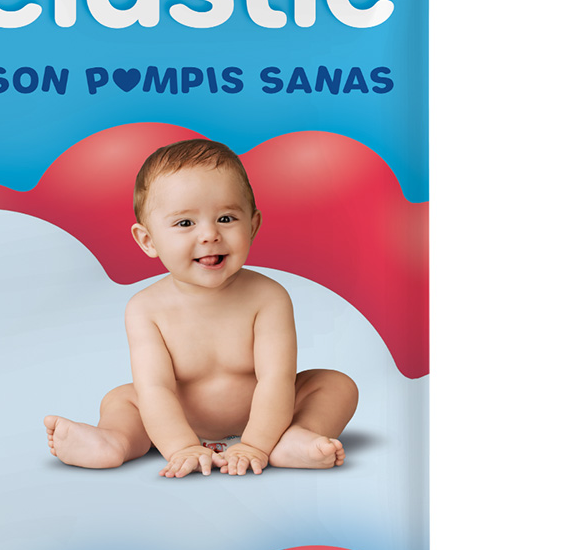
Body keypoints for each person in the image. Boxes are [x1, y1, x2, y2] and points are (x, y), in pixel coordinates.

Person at [45, 139, 358, 477]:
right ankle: (113, 441)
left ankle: (295, 436)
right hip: (177, 420)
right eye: (185, 223)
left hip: (267, 415)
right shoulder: (146, 309)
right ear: (148, 240)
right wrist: (181, 446)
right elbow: (156, 389)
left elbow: (276, 380)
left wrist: (256, 444)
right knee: (122, 399)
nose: (209, 235)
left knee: (335, 385)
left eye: (226, 218)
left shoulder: (268, 297)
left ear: (252, 226)